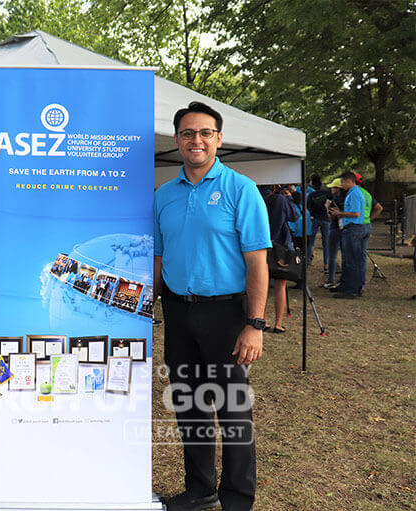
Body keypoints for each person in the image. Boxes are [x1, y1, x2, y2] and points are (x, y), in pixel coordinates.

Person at [153, 102, 270, 511]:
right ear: (177, 140)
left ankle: (237, 499)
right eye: (188, 133)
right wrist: (146, 304)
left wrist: (254, 323)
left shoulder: (242, 189)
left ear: (219, 138)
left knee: (233, 411)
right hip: (179, 314)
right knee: (189, 405)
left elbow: (257, 261)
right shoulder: (164, 195)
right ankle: (200, 490)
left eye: (205, 133)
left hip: (226, 315)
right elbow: (159, 258)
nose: (195, 140)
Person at [264, 186, 299, 333]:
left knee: (262, 283)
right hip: (281, 244)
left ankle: (262, 319)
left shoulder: (258, 195)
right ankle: (278, 323)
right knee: (280, 284)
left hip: (263, 242)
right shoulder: (281, 198)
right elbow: (294, 216)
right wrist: (289, 197)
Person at [329, 171, 366, 298]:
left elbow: (356, 214)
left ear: (349, 181)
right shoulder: (352, 193)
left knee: (353, 260)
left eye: (343, 182)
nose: (342, 184)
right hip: (350, 228)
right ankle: (346, 285)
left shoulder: (355, 194)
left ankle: (353, 290)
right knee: (348, 259)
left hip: (353, 229)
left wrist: (340, 213)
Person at [321, 179, 346, 289]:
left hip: (335, 229)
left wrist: (327, 208)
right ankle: (344, 279)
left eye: (333, 187)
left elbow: (331, 217)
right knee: (345, 255)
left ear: (337, 189)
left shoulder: (334, 200)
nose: (331, 189)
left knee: (332, 255)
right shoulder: (347, 198)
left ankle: (331, 280)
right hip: (346, 229)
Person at [307, 176, 333, 272]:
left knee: (311, 242)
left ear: (312, 185)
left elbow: (308, 207)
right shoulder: (327, 193)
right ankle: (326, 263)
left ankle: (308, 261)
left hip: (315, 219)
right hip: (326, 220)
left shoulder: (311, 195)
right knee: (326, 243)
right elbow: (332, 201)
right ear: (321, 184)